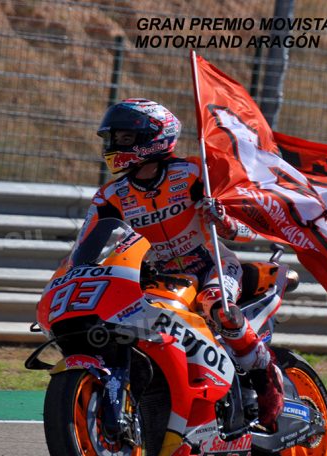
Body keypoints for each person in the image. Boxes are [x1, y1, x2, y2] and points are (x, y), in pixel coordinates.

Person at [79, 98, 284, 432]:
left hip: (210, 265)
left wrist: (224, 220)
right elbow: (83, 252)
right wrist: (76, 272)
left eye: (124, 138)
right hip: (159, 276)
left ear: (153, 137)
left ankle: (266, 380)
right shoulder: (110, 195)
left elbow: (250, 228)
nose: (114, 146)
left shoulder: (193, 172)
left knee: (219, 308)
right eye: (112, 139)